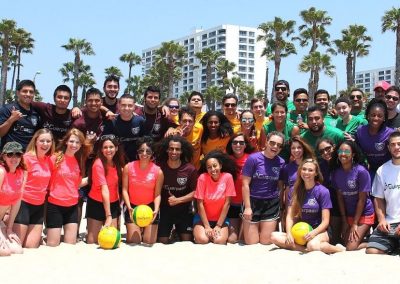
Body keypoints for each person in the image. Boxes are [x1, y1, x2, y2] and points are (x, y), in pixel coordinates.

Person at [270, 159, 344, 253]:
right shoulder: (294, 190)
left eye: (310, 170)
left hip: (319, 230)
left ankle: (337, 249)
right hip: (300, 230)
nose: (306, 172)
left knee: (312, 244)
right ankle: (308, 249)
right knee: (273, 236)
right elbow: (290, 215)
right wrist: (288, 233)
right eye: (304, 169)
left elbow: (325, 221)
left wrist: (313, 233)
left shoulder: (323, 191)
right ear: (300, 171)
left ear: (316, 173)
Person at [46, 128, 91, 247]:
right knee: (52, 244)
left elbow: (76, 184)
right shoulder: (55, 158)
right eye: (71, 141)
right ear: (66, 142)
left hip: (72, 206)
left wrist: (92, 178)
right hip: (55, 205)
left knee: (70, 244)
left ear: (81, 145)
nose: (74, 145)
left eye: (77, 142)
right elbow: (44, 178)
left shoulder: (79, 160)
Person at [242, 131, 286, 245]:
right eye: (272, 143)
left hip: (271, 203)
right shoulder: (253, 159)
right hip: (253, 201)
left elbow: (280, 186)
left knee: (266, 242)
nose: (275, 147)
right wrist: (247, 207)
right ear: (266, 142)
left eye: (279, 145)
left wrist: (281, 206)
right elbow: (245, 184)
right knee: (251, 242)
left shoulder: (281, 162)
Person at [13, 129, 54, 248]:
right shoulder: (26, 158)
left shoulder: (49, 160)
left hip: (39, 205)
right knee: (17, 245)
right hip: (23, 204)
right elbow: (17, 183)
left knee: (31, 246)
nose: (45, 144)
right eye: (42, 141)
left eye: (48, 141)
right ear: (35, 141)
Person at [331, 141, 374, 251]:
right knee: (345, 242)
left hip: (364, 213)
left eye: (347, 151)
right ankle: (363, 237)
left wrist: (355, 223)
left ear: (353, 154)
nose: (343, 154)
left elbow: (362, 199)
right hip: (349, 214)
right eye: (340, 151)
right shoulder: (336, 173)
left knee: (350, 247)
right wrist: (345, 221)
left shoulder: (361, 171)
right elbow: (340, 198)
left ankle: (374, 242)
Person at [156, 136, 197, 244]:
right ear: (167, 150)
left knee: (187, 241)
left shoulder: (190, 169)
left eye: (177, 149)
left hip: (184, 210)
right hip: (164, 211)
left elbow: (196, 192)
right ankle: (171, 231)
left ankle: (177, 232)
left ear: (182, 151)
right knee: (162, 241)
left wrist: (178, 200)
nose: (174, 151)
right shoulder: (159, 168)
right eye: (171, 148)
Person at [122, 137, 163, 245]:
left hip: (150, 208)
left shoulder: (158, 171)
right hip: (133, 207)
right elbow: (124, 190)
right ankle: (138, 228)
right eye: (141, 151)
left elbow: (157, 194)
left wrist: (156, 210)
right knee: (134, 241)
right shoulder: (128, 167)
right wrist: (129, 207)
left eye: (148, 151)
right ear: (137, 152)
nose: (144, 153)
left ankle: (145, 229)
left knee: (148, 241)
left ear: (152, 153)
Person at [86, 135, 125, 244]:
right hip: (96, 203)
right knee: (92, 242)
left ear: (116, 148)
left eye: (111, 147)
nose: (108, 150)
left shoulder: (118, 163)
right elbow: (104, 189)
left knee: (112, 241)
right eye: (105, 147)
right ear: (101, 149)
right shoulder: (98, 164)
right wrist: (108, 215)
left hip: (113, 203)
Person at [366, 132, 400, 255]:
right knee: (372, 251)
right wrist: (381, 220)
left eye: (399, 144)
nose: (396, 147)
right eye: (393, 144)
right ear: (389, 148)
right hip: (390, 223)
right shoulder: (382, 170)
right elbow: (378, 199)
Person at [193, 150, 237, 245]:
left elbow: (227, 203)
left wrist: (218, 225)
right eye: (209, 167)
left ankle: (223, 231)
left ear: (220, 166)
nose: (213, 169)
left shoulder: (227, 177)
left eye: (215, 165)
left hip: (220, 220)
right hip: (203, 219)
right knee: (202, 240)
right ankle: (201, 232)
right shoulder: (202, 178)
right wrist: (207, 226)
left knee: (219, 241)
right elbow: (199, 203)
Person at [280, 136, 315, 230]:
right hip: (293, 206)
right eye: (293, 148)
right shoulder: (287, 168)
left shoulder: (312, 164)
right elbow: (287, 190)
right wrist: (287, 209)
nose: (296, 150)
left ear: (304, 148)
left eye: (299, 147)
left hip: (310, 206)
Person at [355, 98, 394, 180]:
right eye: (373, 115)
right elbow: (358, 151)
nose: (376, 118)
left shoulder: (390, 133)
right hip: (368, 170)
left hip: (387, 171)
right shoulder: (360, 131)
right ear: (368, 116)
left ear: (384, 118)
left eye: (380, 116)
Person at [226, 133, 254, 243]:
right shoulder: (226, 160)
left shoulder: (252, 159)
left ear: (245, 145)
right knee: (232, 239)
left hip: (246, 203)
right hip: (231, 203)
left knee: (243, 238)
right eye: (235, 142)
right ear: (231, 145)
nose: (238, 145)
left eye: (241, 142)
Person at [0, 142, 26, 256]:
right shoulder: (1, 172)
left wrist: (9, 229)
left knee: (18, 250)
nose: (14, 158)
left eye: (18, 154)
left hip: (1, 221)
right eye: (10, 154)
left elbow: (17, 201)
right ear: (4, 156)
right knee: (5, 252)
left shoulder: (22, 173)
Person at [102, 94, 145, 162]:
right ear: (118, 106)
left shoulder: (140, 121)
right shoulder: (111, 122)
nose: (126, 108)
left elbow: (146, 140)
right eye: (123, 105)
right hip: (116, 161)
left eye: (130, 105)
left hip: (136, 161)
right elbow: (106, 143)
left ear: (134, 107)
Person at [0, 80, 41, 150]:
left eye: (31, 92)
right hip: (10, 156)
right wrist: (11, 119)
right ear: (18, 93)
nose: (28, 94)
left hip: (27, 156)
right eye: (25, 91)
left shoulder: (37, 113)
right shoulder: (7, 109)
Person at [316, 138, 341, 244]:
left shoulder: (343, 161)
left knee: (336, 239)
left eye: (328, 148)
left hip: (344, 203)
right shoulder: (319, 165)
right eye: (322, 151)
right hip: (327, 204)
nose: (325, 153)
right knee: (331, 239)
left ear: (334, 147)